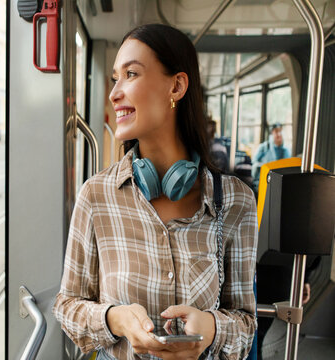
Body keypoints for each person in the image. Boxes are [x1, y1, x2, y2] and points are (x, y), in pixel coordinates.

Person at [53, 24, 257, 360]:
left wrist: (211, 329)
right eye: (114, 78)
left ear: (176, 86)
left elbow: (246, 323)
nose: (114, 93)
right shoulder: (97, 196)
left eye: (130, 73)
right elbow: (66, 305)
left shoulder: (235, 201)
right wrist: (114, 319)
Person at [252, 124, 290, 190]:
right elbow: (254, 163)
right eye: (276, 132)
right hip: (263, 182)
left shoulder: (286, 151)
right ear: (272, 134)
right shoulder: (264, 147)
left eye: (280, 131)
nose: (279, 134)